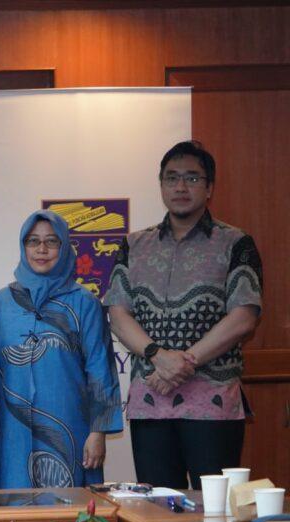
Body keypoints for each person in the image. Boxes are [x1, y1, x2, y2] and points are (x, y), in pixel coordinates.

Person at [105, 141, 262, 489]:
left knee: (215, 509)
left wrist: (183, 362)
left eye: (192, 178)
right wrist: (157, 356)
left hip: (213, 401)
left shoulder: (236, 243)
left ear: (209, 188)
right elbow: (118, 314)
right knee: (159, 511)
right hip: (150, 401)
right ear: (160, 184)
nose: (180, 187)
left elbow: (244, 317)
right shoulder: (133, 245)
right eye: (171, 178)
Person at [0, 210, 123, 489]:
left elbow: (99, 369)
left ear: (64, 246)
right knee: (16, 509)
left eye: (51, 241)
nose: (42, 249)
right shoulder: (1, 303)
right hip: (15, 432)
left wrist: (98, 432)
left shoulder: (84, 302)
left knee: (70, 513)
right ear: (23, 247)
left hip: (71, 426)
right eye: (33, 241)